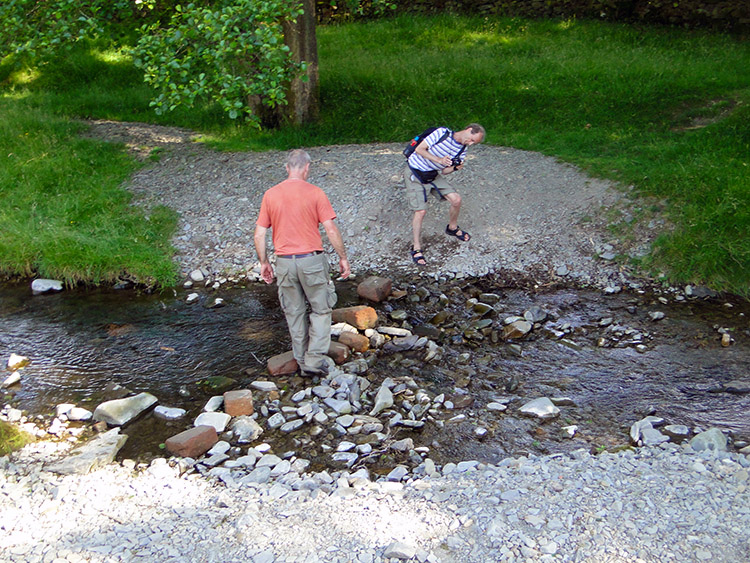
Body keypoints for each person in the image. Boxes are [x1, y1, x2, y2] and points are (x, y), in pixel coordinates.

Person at [254, 149, 350, 376]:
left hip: (284, 262)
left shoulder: (271, 194)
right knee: (321, 310)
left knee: (294, 312)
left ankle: (300, 359)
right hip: (312, 261)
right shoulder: (316, 193)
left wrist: (264, 262)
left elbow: (259, 234)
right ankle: (313, 361)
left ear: (287, 168)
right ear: (307, 168)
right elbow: (330, 228)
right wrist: (343, 257)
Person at [404, 123, 485, 266]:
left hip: (433, 175)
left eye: (474, 143)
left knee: (456, 200)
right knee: (421, 211)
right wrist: (439, 160)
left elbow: (444, 171)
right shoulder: (442, 133)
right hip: (415, 171)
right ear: (468, 130)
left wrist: (455, 168)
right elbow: (419, 149)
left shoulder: (462, 150)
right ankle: (416, 247)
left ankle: (452, 228)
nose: (471, 144)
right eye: (472, 140)